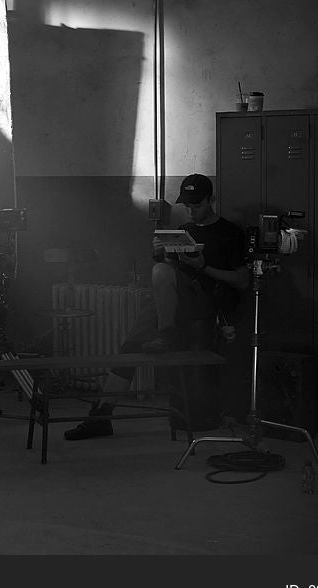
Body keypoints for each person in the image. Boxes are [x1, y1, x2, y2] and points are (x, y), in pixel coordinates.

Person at [64, 173, 249, 440]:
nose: (191, 210)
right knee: (130, 348)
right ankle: (101, 416)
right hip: (172, 301)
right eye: (187, 205)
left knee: (161, 272)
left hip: (203, 302)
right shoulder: (185, 230)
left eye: (197, 204)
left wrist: (204, 267)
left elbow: (243, 280)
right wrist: (161, 250)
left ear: (212, 200)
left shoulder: (229, 233)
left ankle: (166, 333)